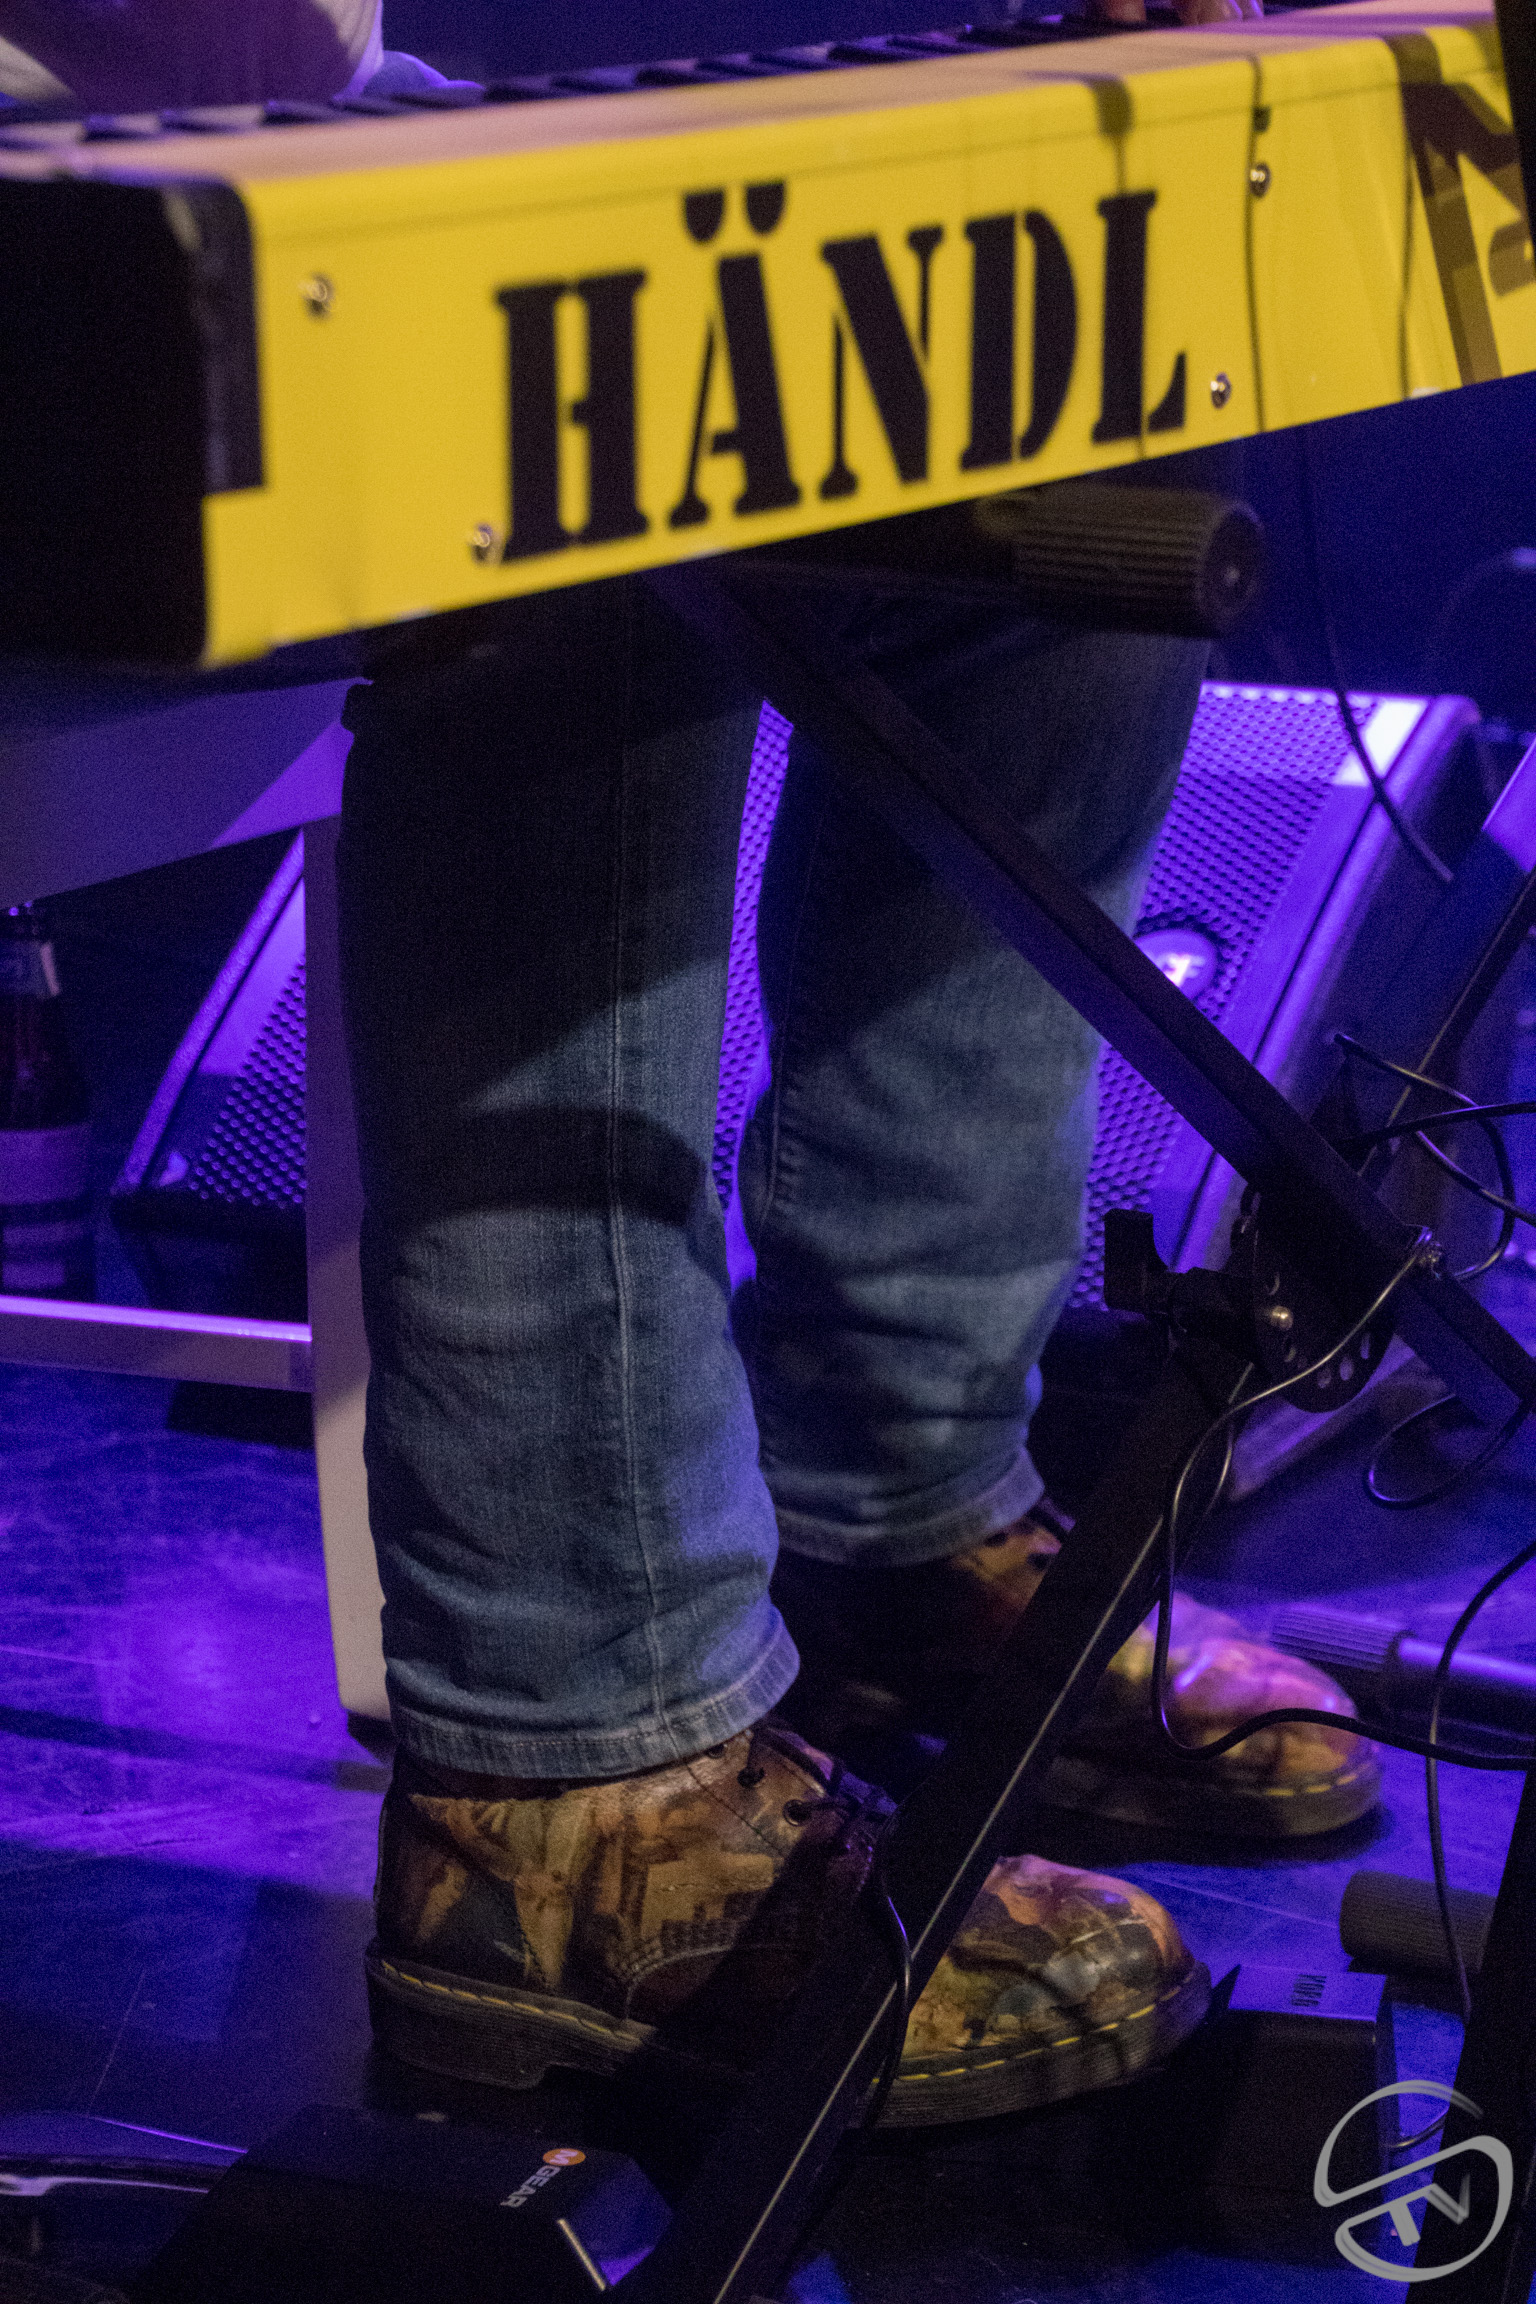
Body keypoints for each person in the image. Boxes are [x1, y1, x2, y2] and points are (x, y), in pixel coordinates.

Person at [2, 0, 1369, 2132]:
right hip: (95, 223)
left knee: (1068, 476)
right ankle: (571, 1793)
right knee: (574, 516)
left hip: (201, 167)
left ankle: (894, 1507)